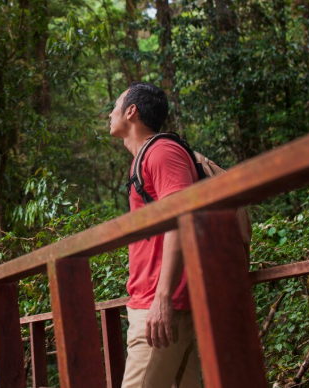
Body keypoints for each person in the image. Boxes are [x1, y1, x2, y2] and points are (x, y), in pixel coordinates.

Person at [108, 82, 200, 388]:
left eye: (116, 105)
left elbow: (180, 217)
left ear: (131, 111)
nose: (111, 113)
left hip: (162, 305)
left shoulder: (162, 152)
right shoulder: (145, 157)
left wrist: (162, 299)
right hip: (156, 303)